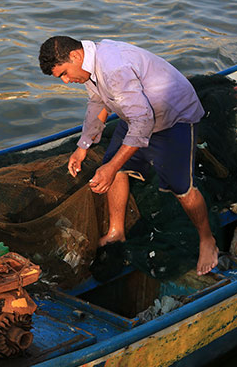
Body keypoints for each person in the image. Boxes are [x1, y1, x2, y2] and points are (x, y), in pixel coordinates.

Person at [38, 36, 219, 275]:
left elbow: (143, 123)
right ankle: (116, 232)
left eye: (64, 74)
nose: (66, 81)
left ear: (75, 56)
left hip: (173, 117)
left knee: (181, 187)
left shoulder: (114, 67)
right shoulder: (88, 66)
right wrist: (83, 146)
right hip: (135, 114)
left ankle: (207, 240)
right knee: (114, 168)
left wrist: (112, 166)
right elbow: (97, 103)